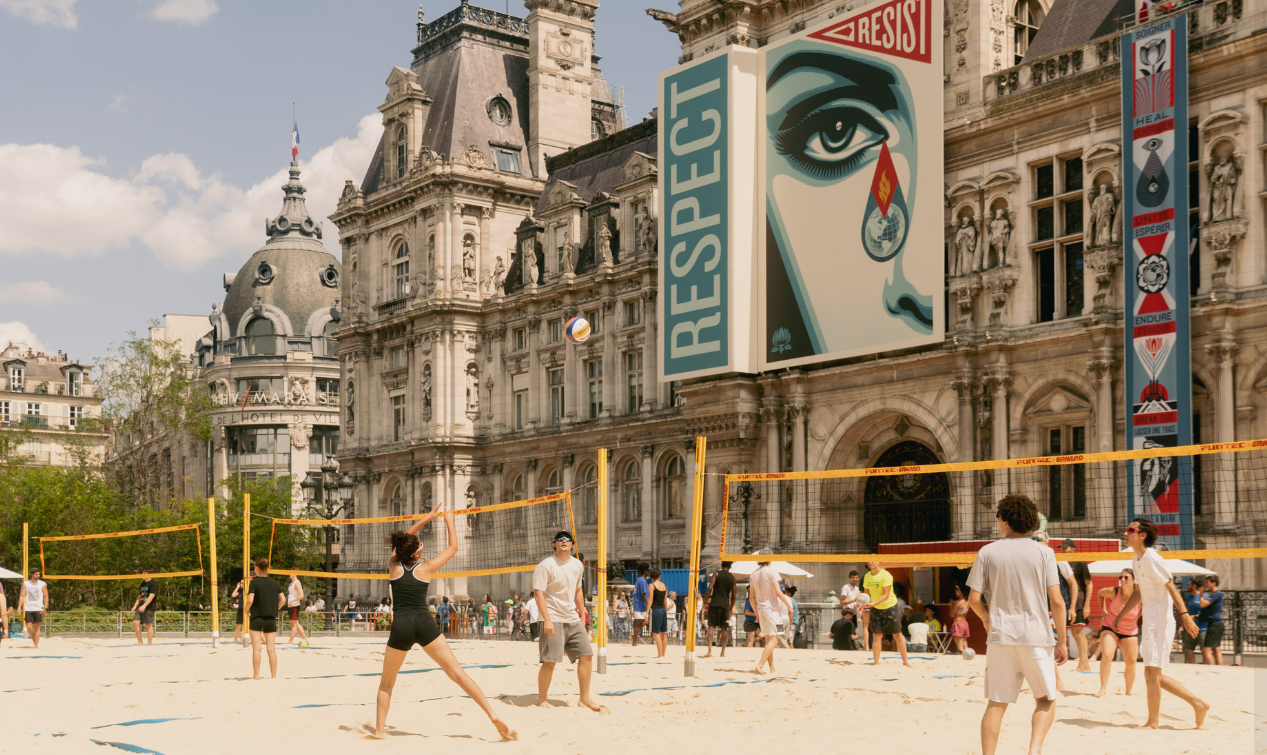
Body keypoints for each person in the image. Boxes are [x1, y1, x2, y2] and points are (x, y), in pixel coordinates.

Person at [370, 505, 514, 740]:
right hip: (425, 623)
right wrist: (448, 520)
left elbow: (403, 543)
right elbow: (453, 547)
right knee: (457, 673)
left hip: (402, 625)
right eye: (421, 548)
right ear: (416, 554)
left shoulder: (393, 566)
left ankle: (378, 732)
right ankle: (492, 714)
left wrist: (425, 518)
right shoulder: (426, 568)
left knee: (386, 683)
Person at [967, 493, 1067, 755]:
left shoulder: (987, 551)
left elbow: (973, 600)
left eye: (997, 516)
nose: (997, 521)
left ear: (1007, 521)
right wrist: (1063, 640)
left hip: (1001, 636)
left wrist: (987, 619)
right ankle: (1034, 751)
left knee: (996, 704)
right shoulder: (1044, 552)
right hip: (1036, 636)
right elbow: (1057, 602)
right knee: (1045, 700)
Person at [1116, 518, 1209, 729]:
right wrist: (1121, 614)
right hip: (1150, 622)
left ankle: (1154, 721)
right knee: (1152, 673)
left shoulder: (1151, 558)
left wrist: (1184, 615)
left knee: (1151, 673)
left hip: (1161, 623)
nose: (1125, 533)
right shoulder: (1136, 559)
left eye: (1130, 530)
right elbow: (1138, 593)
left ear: (1142, 535)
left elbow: (1172, 587)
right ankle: (1197, 704)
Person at [533, 530, 605, 712]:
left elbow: (578, 590)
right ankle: (542, 700)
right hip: (553, 618)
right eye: (560, 539)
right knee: (550, 661)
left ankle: (584, 698)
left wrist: (582, 614)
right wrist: (547, 620)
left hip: (572, 617)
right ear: (554, 544)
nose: (564, 541)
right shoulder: (546, 565)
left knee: (587, 655)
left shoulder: (577, 565)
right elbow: (538, 593)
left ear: (573, 544)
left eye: (567, 539)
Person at [1096, 568, 1142, 697]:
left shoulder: (1139, 595)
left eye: (1126, 577)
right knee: (1107, 654)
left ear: (1134, 580)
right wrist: (1103, 611)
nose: (1122, 580)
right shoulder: (1114, 591)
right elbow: (1100, 593)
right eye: (1120, 577)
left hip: (1129, 629)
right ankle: (1103, 688)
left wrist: (1136, 617)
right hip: (1110, 626)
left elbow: (1147, 607)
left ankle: (1128, 691)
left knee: (1131, 661)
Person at [750, 560, 795, 675]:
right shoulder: (771, 571)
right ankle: (760, 665)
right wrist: (789, 605)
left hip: (761, 609)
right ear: (769, 559)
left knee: (768, 640)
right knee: (774, 641)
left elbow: (751, 598)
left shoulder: (753, 574)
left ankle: (772, 668)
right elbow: (779, 592)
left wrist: (756, 613)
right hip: (771, 610)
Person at [863, 561, 910, 667]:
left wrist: (873, 603)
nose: (870, 563)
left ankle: (905, 661)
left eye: (872, 560)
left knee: (897, 634)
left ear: (878, 562)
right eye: (868, 561)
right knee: (877, 635)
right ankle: (876, 662)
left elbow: (886, 594)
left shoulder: (885, 575)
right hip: (875, 607)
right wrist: (862, 605)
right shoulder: (867, 576)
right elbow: (866, 593)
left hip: (890, 607)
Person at [245, 557, 286, 680]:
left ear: (256, 568)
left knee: (257, 649)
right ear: (268, 568)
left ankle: (256, 675)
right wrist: (275, 609)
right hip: (270, 618)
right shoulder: (274, 583)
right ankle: (273, 676)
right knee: (271, 650)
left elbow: (250, 600)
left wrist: (246, 610)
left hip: (256, 617)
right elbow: (283, 600)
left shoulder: (254, 582)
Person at [1060, 539, 1093, 671]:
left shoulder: (1079, 562)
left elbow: (1089, 584)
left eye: (1065, 548)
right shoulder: (1061, 563)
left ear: (1073, 549)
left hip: (1078, 601)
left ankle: (1084, 663)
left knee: (1079, 632)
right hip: (1066, 601)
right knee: (1074, 632)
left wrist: (1087, 605)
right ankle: (1083, 662)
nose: (1062, 550)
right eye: (1062, 548)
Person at [702, 562, 736, 658]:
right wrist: (730, 608)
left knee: (711, 626)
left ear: (722, 566)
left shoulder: (716, 573)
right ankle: (723, 652)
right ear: (730, 567)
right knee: (724, 628)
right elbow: (734, 596)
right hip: (725, 605)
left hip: (715, 602)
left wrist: (705, 601)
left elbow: (710, 588)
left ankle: (709, 650)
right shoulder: (733, 578)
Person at [18, 568, 49, 649]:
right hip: (28, 608)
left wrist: (45, 608)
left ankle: (36, 645)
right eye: (36, 574)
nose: (38, 576)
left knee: (37, 627)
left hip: (38, 607)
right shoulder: (25, 584)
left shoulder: (42, 584)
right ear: (31, 574)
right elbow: (22, 595)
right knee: (28, 627)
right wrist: (19, 607)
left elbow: (46, 596)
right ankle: (35, 640)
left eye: (39, 574)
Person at [1198, 575, 1224, 666]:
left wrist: (1201, 594)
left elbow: (1203, 604)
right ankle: (1220, 669)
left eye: (1207, 583)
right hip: (1216, 624)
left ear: (1214, 583)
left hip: (1215, 625)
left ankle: (1212, 669)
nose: (1206, 585)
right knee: (1216, 649)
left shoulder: (1217, 594)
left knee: (1205, 650)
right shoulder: (1215, 594)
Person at [129, 568, 158, 645]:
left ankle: (149, 643)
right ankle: (140, 641)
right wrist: (135, 606)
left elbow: (151, 596)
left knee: (148, 624)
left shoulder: (153, 584)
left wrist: (145, 605)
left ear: (149, 574)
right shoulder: (143, 584)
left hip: (149, 607)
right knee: (135, 623)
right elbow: (140, 595)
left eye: (144, 573)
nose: (142, 574)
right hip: (141, 605)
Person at [1181, 578, 1207, 664]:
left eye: (1189, 584)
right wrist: (1182, 625)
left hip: (1203, 627)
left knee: (1204, 650)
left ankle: (1206, 666)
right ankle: (1192, 666)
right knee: (1188, 649)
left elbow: (1207, 612)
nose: (1187, 586)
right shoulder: (1189, 598)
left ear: (1194, 586)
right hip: (1191, 627)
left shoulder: (1204, 597)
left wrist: (1195, 616)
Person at [840, 570, 867, 650]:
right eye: (853, 578)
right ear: (849, 578)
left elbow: (858, 602)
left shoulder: (857, 589)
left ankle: (851, 647)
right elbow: (841, 602)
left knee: (853, 631)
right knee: (847, 631)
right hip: (846, 613)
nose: (855, 579)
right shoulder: (846, 587)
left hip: (854, 613)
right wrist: (854, 600)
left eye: (856, 578)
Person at [648, 568, 668, 658]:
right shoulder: (664, 585)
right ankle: (663, 654)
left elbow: (650, 600)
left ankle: (659, 655)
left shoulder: (651, 585)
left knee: (656, 633)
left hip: (656, 610)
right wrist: (665, 610)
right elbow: (665, 601)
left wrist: (646, 613)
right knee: (663, 632)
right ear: (660, 576)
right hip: (663, 610)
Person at [286, 574, 309, 646]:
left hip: (295, 605)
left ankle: (290, 641)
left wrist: (292, 601)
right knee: (295, 623)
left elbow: (301, 596)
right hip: (291, 605)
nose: (289, 574)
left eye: (291, 572)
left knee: (294, 624)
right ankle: (304, 639)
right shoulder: (292, 583)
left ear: (295, 574)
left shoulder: (297, 583)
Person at [631, 564, 650, 646]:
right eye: (648, 570)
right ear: (645, 571)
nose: (649, 572)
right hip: (640, 604)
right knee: (639, 622)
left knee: (644, 621)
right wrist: (648, 604)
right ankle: (634, 642)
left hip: (639, 603)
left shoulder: (639, 580)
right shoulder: (642, 580)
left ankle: (634, 636)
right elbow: (643, 594)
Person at [950, 584, 971, 654]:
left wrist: (951, 606)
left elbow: (952, 615)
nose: (955, 592)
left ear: (959, 591)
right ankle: (967, 653)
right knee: (964, 640)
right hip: (964, 623)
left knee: (958, 638)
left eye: (956, 590)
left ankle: (960, 651)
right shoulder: (968, 602)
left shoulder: (957, 602)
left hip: (957, 622)